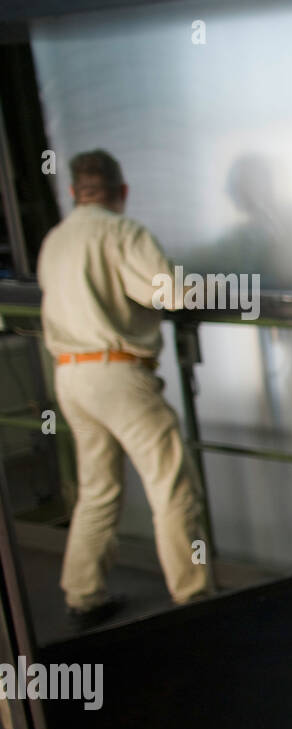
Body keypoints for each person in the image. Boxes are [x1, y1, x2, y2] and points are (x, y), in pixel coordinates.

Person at [37, 149, 213, 629]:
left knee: (97, 488)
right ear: (123, 190)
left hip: (70, 375)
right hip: (117, 374)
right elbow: (170, 293)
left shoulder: (55, 239)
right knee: (171, 485)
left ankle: (83, 592)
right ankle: (193, 597)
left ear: (74, 191)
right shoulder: (122, 231)